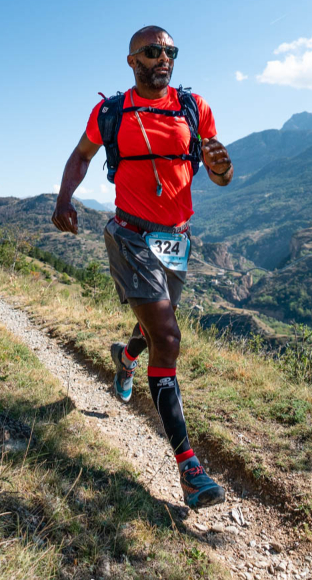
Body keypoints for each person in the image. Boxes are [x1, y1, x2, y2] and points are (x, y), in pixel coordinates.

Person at [51, 25, 233, 510]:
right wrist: (65, 197)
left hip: (176, 238)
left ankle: (126, 358)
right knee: (168, 336)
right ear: (132, 60)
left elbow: (220, 175)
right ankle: (189, 468)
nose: (163, 59)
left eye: (170, 51)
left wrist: (221, 166)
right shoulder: (111, 112)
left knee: (155, 326)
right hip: (129, 235)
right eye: (153, 52)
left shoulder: (194, 109)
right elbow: (81, 155)